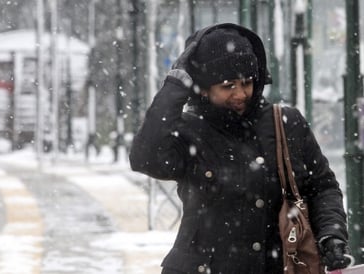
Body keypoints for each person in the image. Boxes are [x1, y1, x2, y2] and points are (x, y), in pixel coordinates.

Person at [129, 23, 351, 274]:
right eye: (227, 86)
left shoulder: (286, 124)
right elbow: (144, 158)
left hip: (278, 266)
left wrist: (331, 233)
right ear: (204, 87)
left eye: (247, 82)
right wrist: (174, 88)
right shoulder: (188, 131)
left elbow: (322, 187)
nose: (240, 94)